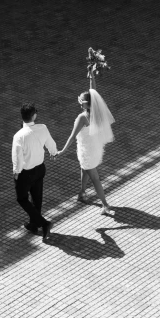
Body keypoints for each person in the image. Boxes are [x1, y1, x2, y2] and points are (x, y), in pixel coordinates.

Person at [56, 74, 114, 215]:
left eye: (81, 100)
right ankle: (81, 193)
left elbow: (72, 136)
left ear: (84, 103)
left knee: (95, 178)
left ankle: (105, 205)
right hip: (95, 148)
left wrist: (62, 151)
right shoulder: (96, 111)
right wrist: (91, 76)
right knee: (84, 169)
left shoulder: (82, 118)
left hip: (86, 151)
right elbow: (92, 92)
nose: (79, 101)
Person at [12, 102, 57, 240]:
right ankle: (34, 225)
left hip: (26, 172)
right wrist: (53, 152)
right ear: (34, 115)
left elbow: (17, 156)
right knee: (37, 199)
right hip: (40, 169)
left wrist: (16, 171)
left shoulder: (19, 136)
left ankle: (44, 223)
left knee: (22, 198)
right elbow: (51, 144)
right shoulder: (42, 128)